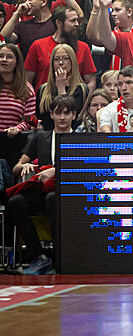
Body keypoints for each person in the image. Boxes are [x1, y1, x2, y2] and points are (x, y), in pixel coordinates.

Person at [9, 93, 77, 274]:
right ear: (52, 115)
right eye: (58, 113)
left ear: (74, 115)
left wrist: (57, 170)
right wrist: (27, 166)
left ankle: (60, 256)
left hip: (71, 192)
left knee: (52, 198)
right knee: (16, 202)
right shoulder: (40, 137)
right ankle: (38, 256)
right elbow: (17, 167)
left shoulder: (80, 138)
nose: (62, 117)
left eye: (66, 113)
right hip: (41, 189)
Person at [35, 43, 86, 130]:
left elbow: (72, 119)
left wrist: (61, 88)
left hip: (70, 137)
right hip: (48, 136)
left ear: (72, 61)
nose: (61, 63)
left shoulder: (81, 89)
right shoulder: (43, 89)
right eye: (56, 59)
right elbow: (41, 118)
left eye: (65, 59)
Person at [0, 43, 36, 133]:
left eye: (9, 57)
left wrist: (17, 129)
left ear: (17, 62)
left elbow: (31, 121)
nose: (4, 60)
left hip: (13, 141)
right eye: (1, 56)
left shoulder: (27, 89)